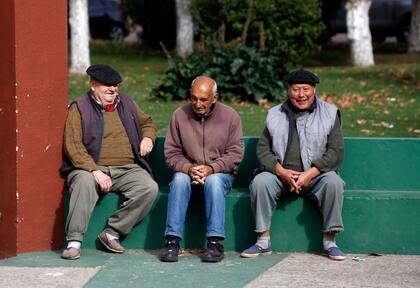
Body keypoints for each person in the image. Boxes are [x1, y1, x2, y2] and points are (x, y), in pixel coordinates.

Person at [240, 69, 346, 261]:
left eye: (306, 89)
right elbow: (263, 150)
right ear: (288, 90)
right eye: (296, 89)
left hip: (316, 176)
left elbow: (336, 152)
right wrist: (280, 171)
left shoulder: (330, 113)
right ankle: (263, 242)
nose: (301, 94)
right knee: (260, 182)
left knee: (334, 183)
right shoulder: (274, 114)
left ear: (314, 90)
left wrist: (310, 174)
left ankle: (330, 242)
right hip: (281, 176)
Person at [60, 64, 159, 260]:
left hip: (127, 168)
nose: (113, 89)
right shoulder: (79, 107)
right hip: (90, 167)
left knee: (149, 187)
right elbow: (73, 146)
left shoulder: (126, 102)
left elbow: (147, 122)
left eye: (115, 85)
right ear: (93, 85)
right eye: (107, 85)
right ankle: (74, 242)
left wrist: (148, 138)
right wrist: (94, 170)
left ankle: (112, 232)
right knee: (84, 182)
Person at [159, 76, 244, 263]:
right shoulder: (179, 115)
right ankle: (171, 242)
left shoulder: (231, 117)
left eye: (203, 99)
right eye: (194, 98)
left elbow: (235, 153)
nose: (198, 104)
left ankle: (215, 243)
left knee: (213, 182)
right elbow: (171, 153)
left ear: (215, 98)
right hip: (187, 172)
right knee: (179, 180)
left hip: (219, 174)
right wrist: (189, 168)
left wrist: (211, 169)